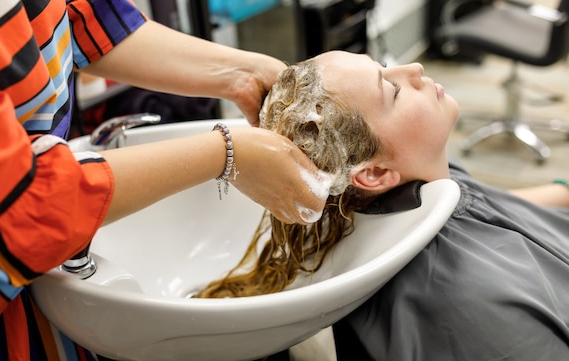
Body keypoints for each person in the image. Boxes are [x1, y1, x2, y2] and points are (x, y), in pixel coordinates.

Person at [0, 0, 327, 359]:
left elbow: (78, 12)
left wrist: (245, 75)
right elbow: (12, 207)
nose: (410, 70)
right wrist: (229, 153)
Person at [196, 50, 569, 361]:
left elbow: (491, 214)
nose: (414, 69)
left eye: (383, 66)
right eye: (392, 89)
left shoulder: (420, 185)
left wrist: (563, 187)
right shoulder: (472, 308)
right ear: (374, 173)